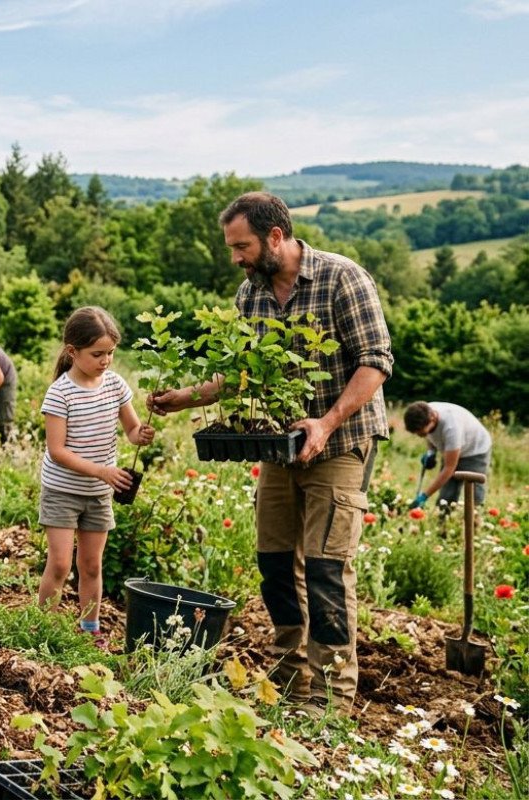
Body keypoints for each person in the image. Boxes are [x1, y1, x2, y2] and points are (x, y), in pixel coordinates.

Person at [147, 191, 393, 717]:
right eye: (232, 248)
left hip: (340, 443)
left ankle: (329, 699)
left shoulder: (342, 279)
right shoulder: (251, 294)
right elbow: (238, 373)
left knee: (327, 568)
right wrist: (183, 398)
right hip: (280, 448)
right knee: (276, 564)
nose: (235, 258)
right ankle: (290, 680)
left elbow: (375, 363)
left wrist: (325, 424)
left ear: (275, 237)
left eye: (242, 247)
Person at [37, 307, 154, 647]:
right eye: (97, 354)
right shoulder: (60, 393)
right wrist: (103, 471)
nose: (106, 361)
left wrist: (141, 434)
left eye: (110, 353)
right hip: (62, 490)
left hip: (99, 492)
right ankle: (42, 627)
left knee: (91, 565)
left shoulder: (115, 385)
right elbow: (57, 451)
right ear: (72, 351)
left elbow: (131, 429)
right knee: (60, 564)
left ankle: (90, 628)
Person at [404, 401, 492, 509]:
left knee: (474, 496)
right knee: (446, 498)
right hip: (452, 449)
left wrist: (424, 496)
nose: (419, 435)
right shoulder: (424, 412)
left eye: (421, 432)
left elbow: (449, 469)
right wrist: (431, 452)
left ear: (432, 419)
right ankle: (444, 517)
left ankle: (476, 517)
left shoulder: (451, 427)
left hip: (475, 450)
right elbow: (429, 435)